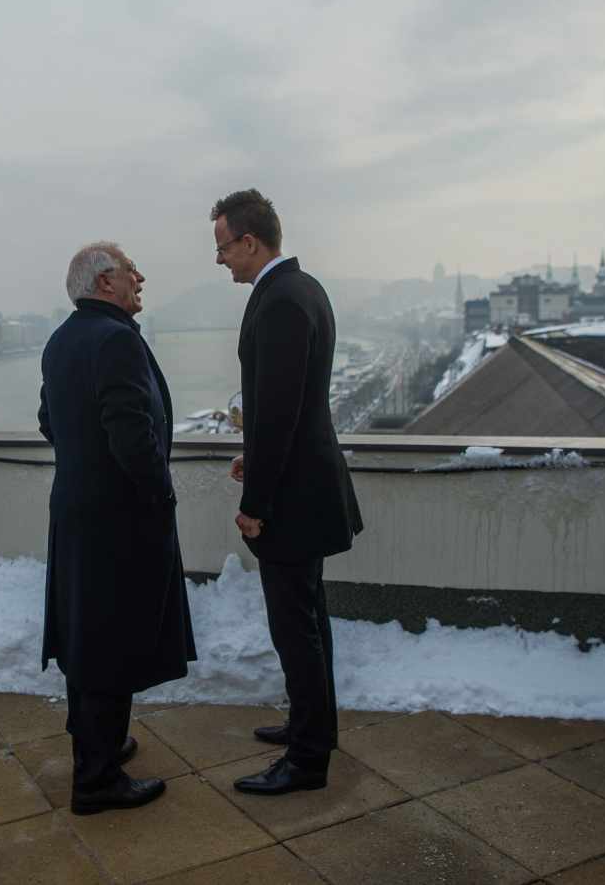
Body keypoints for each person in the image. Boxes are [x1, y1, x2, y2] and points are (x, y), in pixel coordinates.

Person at [211, 189, 364, 795]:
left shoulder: (277, 302)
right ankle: (313, 729)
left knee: (294, 628)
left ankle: (306, 761)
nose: (220, 260)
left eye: (223, 248)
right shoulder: (305, 289)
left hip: (293, 500)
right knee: (309, 621)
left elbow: (274, 413)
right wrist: (258, 456)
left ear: (251, 241)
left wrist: (255, 506)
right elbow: (291, 408)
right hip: (307, 481)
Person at [38, 240, 197, 815]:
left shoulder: (62, 341)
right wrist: (160, 497)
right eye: (132, 270)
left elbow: (48, 421)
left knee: (87, 635)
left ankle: (100, 745)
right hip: (119, 518)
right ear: (106, 281)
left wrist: (84, 465)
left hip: (77, 512)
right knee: (111, 638)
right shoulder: (116, 341)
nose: (141, 277)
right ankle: (98, 780)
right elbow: (133, 438)